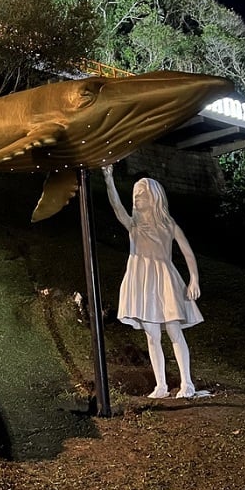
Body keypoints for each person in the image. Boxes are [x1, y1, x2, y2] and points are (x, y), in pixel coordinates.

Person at [102, 164, 207, 399]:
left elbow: (187, 252)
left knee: (174, 331)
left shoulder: (168, 224)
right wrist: (108, 179)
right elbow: (117, 208)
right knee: (151, 335)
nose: (137, 197)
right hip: (141, 282)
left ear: (155, 197)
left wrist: (194, 280)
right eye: (135, 194)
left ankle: (187, 383)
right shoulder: (134, 225)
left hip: (165, 280)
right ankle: (160, 385)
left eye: (142, 194)